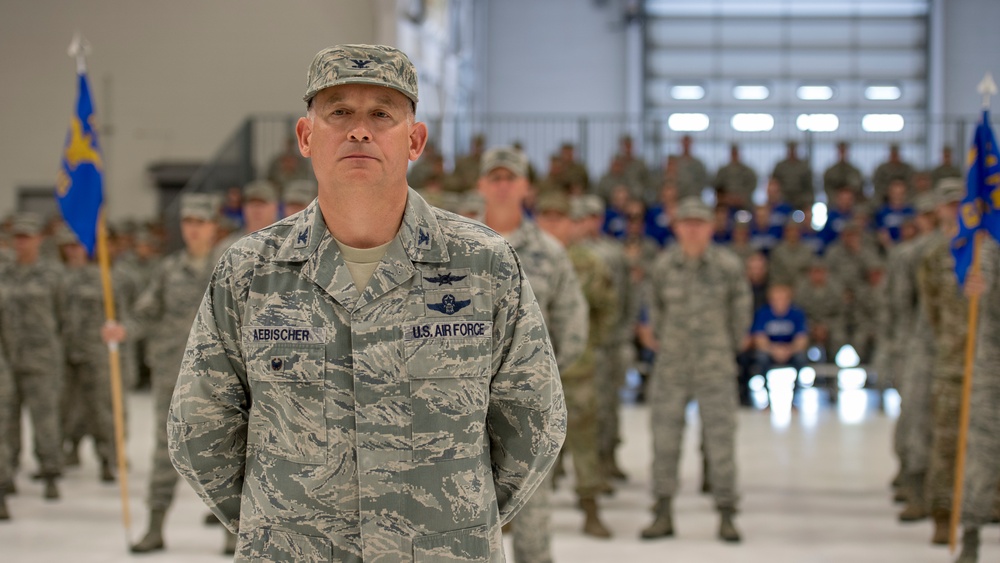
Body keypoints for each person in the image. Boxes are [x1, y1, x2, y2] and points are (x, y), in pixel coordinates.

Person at [167, 45, 567, 562]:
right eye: (339, 112)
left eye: (382, 113)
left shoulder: (483, 265)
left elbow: (534, 418)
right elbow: (199, 426)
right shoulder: (250, 272)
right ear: (306, 137)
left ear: (415, 140)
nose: (360, 129)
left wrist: (456, 518)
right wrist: (282, 528)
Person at [477, 147, 586, 562]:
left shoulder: (549, 253)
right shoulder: (455, 249)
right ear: (482, 185)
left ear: (526, 187)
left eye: (511, 177)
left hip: (525, 410)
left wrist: (540, 382)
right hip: (460, 406)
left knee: (534, 515)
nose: (503, 185)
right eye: (495, 177)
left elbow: (573, 325)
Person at [122, 193, 233, 554]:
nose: (193, 230)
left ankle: (232, 530)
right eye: (188, 223)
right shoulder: (169, 270)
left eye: (200, 223)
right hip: (172, 375)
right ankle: (155, 526)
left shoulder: (229, 268)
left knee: (225, 449)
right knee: (165, 450)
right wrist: (121, 330)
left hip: (219, 377)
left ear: (214, 227)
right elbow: (145, 313)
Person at [640, 197, 752, 543]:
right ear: (676, 227)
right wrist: (664, 340)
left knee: (721, 441)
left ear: (711, 227)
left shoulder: (727, 266)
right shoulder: (663, 266)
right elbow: (654, 310)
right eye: (686, 223)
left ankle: (727, 513)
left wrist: (725, 346)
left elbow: (741, 311)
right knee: (665, 440)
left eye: (699, 223)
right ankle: (662, 511)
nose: (692, 229)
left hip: (714, 366)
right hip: (672, 365)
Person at [534, 192, 616, 538]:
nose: (553, 224)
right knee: (528, 442)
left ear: (571, 223)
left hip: (578, 369)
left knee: (584, 439)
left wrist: (589, 344)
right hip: (532, 372)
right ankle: (518, 514)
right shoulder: (527, 259)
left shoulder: (589, 263)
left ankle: (590, 508)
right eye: (546, 217)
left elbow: (606, 308)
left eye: (560, 217)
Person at [1, 213, 64, 500]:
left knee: (45, 419)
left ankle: (50, 472)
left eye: (27, 237)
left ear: (39, 239)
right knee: (7, 419)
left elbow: (63, 316)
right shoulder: (4, 273)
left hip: (41, 359)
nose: (21, 243)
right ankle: (7, 472)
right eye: (18, 237)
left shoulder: (52, 274)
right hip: (7, 358)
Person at [55, 224, 122, 483]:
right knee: (63, 407)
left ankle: (107, 458)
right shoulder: (56, 277)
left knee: (100, 410)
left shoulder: (102, 277)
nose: (74, 251)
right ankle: (62, 453)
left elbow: (118, 316)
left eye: (78, 245)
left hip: (95, 353)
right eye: (69, 246)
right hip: (64, 352)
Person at [751, 284, 810, 404]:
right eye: (776, 299)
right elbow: (759, 339)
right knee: (761, 358)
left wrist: (789, 350)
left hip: (790, 350)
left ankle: (795, 400)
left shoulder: (797, 313)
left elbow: (802, 339)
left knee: (801, 358)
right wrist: (774, 350)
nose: (779, 302)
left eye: (783, 298)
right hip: (770, 350)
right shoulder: (763, 313)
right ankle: (767, 400)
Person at [714, 143, 758, 210]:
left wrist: (742, 197)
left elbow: (752, 185)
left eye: (736, 153)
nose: (734, 155)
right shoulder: (723, 171)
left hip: (743, 203)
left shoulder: (748, 171)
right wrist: (726, 197)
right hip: (726, 203)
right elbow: (717, 186)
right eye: (733, 153)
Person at [771, 141, 814, 211]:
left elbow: (809, 186)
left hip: (800, 198)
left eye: (793, 149)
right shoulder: (780, 166)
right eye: (790, 149)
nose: (792, 152)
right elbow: (774, 182)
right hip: (783, 197)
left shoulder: (803, 167)